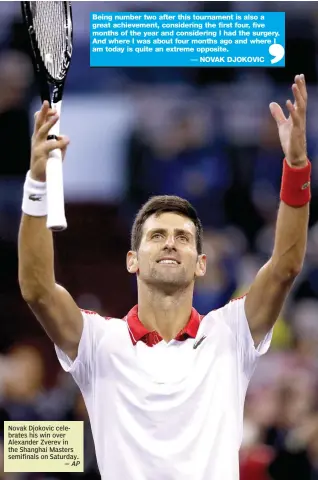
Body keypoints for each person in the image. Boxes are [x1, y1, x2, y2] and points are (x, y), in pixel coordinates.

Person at [18, 74, 310, 480]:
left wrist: (296, 168)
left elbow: (286, 266)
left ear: (201, 263)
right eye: (157, 235)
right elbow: (37, 289)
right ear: (132, 261)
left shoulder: (230, 333)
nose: (171, 243)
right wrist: (37, 184)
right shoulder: (100, 342)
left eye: (183, 237)